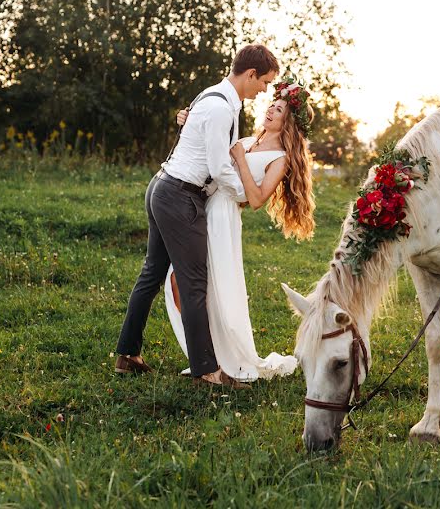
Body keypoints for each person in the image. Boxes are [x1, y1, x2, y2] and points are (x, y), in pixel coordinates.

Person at [114, 44, 279, 389]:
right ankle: (207, 368)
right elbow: (219, 167)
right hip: (179, 197)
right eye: (263, 82)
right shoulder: (223, 109)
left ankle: (127, 354)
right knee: (194, 285)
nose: (264, 89)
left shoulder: (212, 95)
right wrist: (244, 194)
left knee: (152, 273)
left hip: (162, 186)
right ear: (250, 75)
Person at [164, 75, 316, 382]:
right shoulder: (248, 141)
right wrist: (188, 120)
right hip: (203, 205)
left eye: (279, 109)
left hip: (223, 216)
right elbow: (214, 153)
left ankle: (221, 358)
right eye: (272, 105)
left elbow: (257, 199)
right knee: (178, 281)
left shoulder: (280, 159)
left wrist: (240, 161)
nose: (270, 110)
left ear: (289, 123)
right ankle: (205, 352)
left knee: (212, 287)